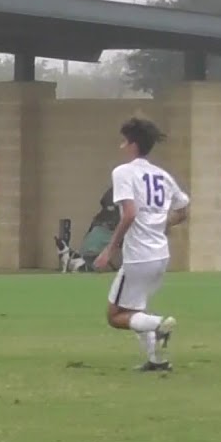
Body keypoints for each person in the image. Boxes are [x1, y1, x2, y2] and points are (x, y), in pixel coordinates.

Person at [93, 117, 190, 372]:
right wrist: (161, 223)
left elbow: (129, 213)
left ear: (133, 144)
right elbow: (182, 210)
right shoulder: (162, 175)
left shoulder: (123, 172)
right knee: (137, 310)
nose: (121, 146)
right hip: (160, 255)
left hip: (139, 256)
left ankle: (160, 324)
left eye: (124, 141)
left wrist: (109, 249)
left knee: (115, 316)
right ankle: (156, 359)